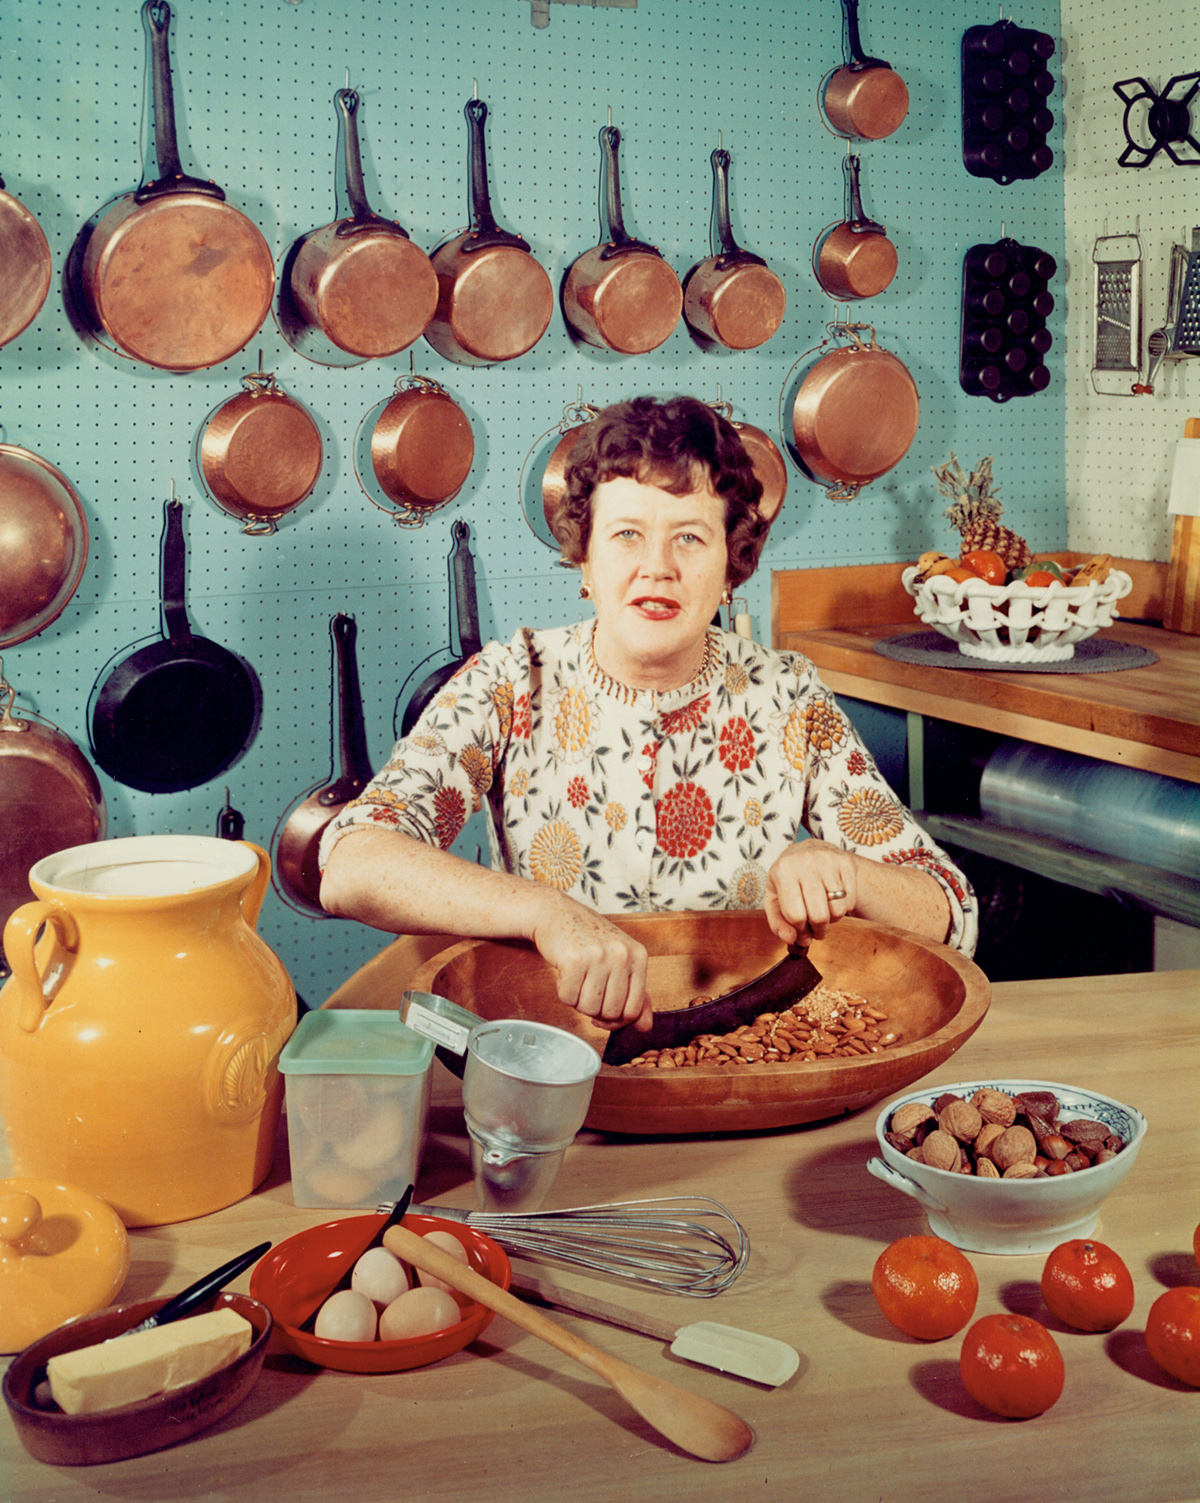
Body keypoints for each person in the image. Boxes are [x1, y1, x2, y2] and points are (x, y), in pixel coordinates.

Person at [319, 395, 976, 1034]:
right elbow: (351, 866)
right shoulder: (510, 681)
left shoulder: (788, 695)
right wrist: (546, 913)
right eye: (627, 534)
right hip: (559, 1054)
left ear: (731, 565)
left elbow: (950, 910)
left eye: (689, 537)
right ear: (585, 557)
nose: (656, 567)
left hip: (749, 1054)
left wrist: (848, 874)